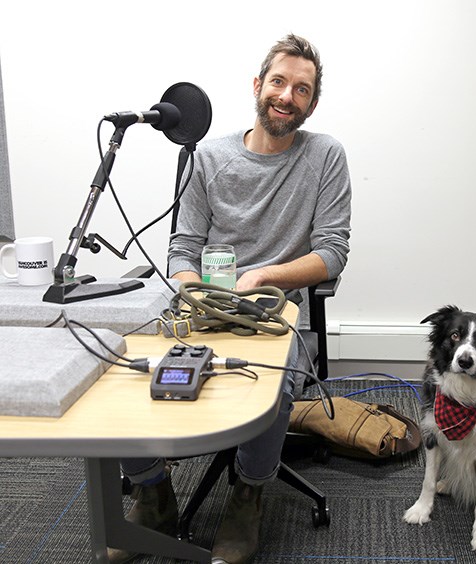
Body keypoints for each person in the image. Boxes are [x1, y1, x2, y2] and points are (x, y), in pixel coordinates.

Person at [110, 34, 351, 564]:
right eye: (279, 82)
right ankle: (151, 492)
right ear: (258, 85)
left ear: (312, 103)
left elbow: (332, 253)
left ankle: (248, 494)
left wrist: (264, 276)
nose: (288, 96)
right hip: (201, 308)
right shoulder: (209, 156)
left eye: (302, 89)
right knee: (114, 364)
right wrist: (189, 285)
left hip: (272, 316)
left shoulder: (325, 156)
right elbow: (182, 247)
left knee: (273, 379)